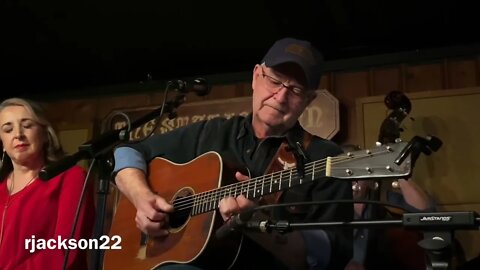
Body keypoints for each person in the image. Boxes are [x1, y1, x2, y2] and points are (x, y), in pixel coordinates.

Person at [112, 37, 353, 269]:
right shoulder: (211, 133)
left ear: (308, 100)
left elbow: (328, 256)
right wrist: (142, 198)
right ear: (256, 76)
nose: (280, 97)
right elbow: (128, 150)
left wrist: (257, 226)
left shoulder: (326, 159)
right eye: (275, 80)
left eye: (296, 90)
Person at [0, 98, 95, 269]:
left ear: (45, 134)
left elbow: (65, 249)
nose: (18, 134)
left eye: (27, 125)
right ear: (2, 143)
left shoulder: (70, 177)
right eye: (8, 129)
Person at [345, 177, 437, 270]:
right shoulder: (333, 204)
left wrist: (401, 174)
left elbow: (427, 215)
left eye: (357, 178)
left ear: (369, 179)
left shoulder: (382, 197)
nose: (354, 185)